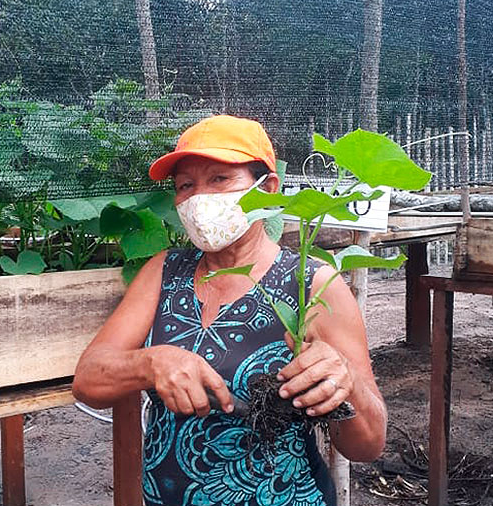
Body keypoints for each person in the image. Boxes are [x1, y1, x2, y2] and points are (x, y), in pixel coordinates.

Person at [73, 115, 387, 506]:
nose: (199, 198)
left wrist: (346, 384)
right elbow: (88, 380)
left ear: (268, 188)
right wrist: (150, 363)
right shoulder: (164, 270)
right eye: (186, 185)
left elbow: (368, 444)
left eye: (219, 179)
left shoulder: (313, 282)